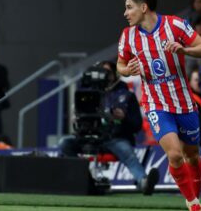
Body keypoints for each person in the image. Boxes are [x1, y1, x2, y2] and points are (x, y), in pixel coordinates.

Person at [117, 0, 201, 210]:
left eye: (129, 7)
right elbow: (120, 65)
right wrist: (127, 68)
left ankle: (194, 198)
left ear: (143, 8)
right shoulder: (128, 35)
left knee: (192, 155)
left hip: (184, 102)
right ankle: (193, 204)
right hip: (155, 104)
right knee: (175, 154)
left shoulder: (176, 25)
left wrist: (184, 49)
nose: (125, 13)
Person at [59, 61, 159, 196]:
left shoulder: (127, 95)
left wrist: (123, 118)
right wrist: (77, 117)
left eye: (107, 73)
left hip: (115, 138)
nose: (103, 76)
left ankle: (144, 182)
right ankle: (84, 181)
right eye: (100, 72)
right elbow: (79, 117)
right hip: (88, 136)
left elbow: (136, 125)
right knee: (65, 144)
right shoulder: (88, 93)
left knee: (127, 153)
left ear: (115, 74)